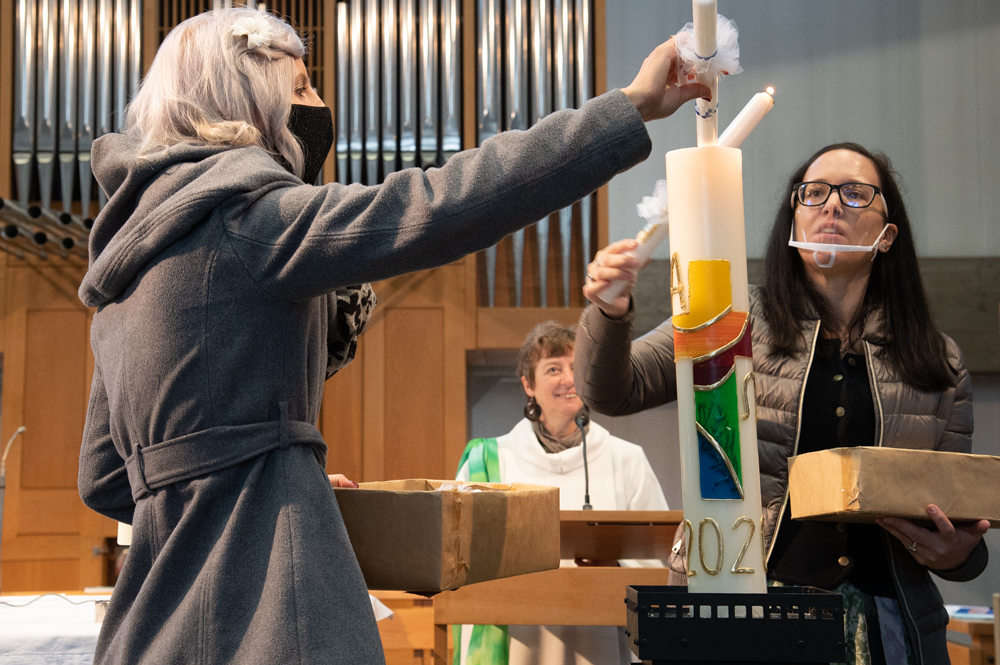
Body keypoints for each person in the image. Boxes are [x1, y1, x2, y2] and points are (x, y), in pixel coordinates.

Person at [75, 7, 709, 664]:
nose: (316, 107)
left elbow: (104, 477)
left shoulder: (124, 270)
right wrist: (630, 107)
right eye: (300, 88)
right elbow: (445, 202)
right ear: (250, 100)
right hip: (268, 610)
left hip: (154, 618)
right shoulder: (252, 221)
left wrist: (251, 467)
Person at [574, 143, 990, 665]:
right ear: (793, 218)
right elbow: (612, 390)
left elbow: (954, 512)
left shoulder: (938, 359)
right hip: (750, 607)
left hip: (888, 625)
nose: (831, 205)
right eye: (813, 193)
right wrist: (609, 312)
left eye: (855, 194)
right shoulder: (732, 318)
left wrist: (959, 554)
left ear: (887, 236)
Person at [454, 321, 669, 665]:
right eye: (554, 369)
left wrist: (615, 566)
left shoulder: (627, 459)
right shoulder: (488, 461)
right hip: (520, 639)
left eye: (576, 367)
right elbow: (458, 557)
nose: (569, 379)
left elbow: (657, 564)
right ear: (528, 384)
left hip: (602, 639)